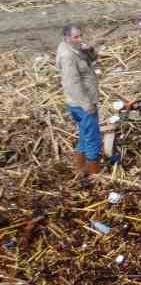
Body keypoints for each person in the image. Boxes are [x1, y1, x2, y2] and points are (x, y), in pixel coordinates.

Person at [57, 24, 106, 177]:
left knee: (85, 135)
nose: (80, 39)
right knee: (93, 138)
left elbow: (92, 59)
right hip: (81, 104)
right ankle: (94, 172)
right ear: (67, 38)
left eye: (80, 36)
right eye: (76, 37)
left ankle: (80, 168)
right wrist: (86, 104)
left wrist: (88, 50)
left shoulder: (74, 49)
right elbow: (72, 83)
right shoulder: (68, 56)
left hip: (78, 103)